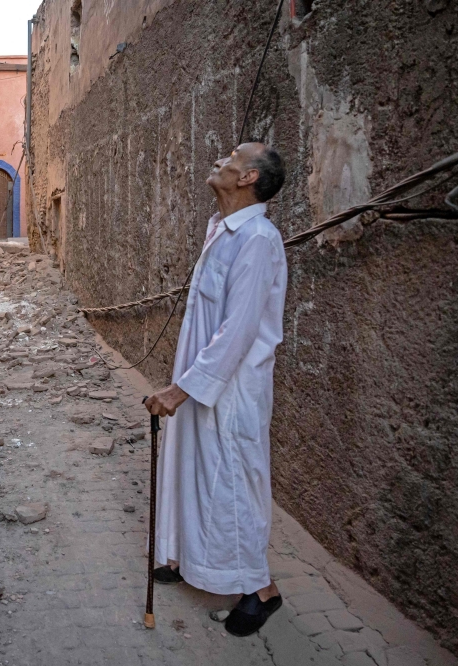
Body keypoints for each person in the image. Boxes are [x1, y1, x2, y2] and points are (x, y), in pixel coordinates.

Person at [143, 142, 288, 637]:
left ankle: (261, 589)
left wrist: (181, 390)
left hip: (234, 389)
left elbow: (240, 329)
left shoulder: (258, 239)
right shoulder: (221, 230)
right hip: (203, 377)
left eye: (231, 157)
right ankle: (184, 557)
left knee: (234, 482)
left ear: (248, 177)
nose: (219, 161)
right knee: (192, 468)